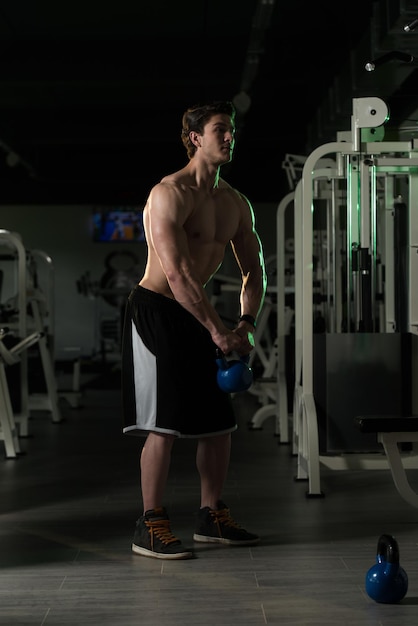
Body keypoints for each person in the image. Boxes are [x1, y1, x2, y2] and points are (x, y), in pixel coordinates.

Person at [121, 100, 267, 560]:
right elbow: (179, 273)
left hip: (197, 311)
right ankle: (151, 523)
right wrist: (218, 332)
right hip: (155, 311)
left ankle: (210, 516)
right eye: (220, 129)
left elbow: (254, 270)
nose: (229, 137)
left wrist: (244, 322)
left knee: (217, 423)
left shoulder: (235, 204)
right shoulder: (169, 193)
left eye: (232, 130)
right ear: (194, 138)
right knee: (163, 424)